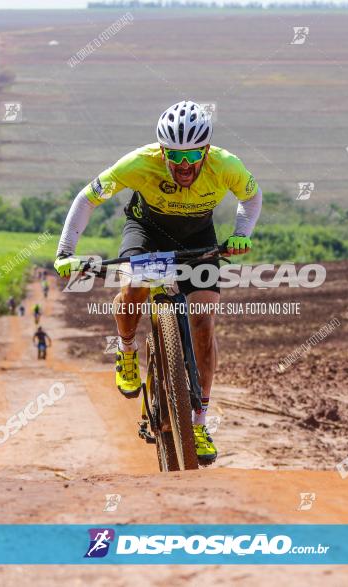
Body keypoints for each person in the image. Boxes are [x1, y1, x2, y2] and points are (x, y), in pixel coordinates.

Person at [53, 100, 261, 464]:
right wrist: (65, 252)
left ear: (206, 150)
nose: (184, 165)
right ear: (161, 151)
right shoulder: (138, 163)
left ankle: (199, 423)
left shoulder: (227, 166)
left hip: (198, 237)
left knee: (203, 320)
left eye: (193, 155)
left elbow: (252, 197)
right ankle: (127, 349)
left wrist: (242, 233)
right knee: (133, 291)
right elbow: (88, 198)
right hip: (147, 230)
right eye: (174, 156)